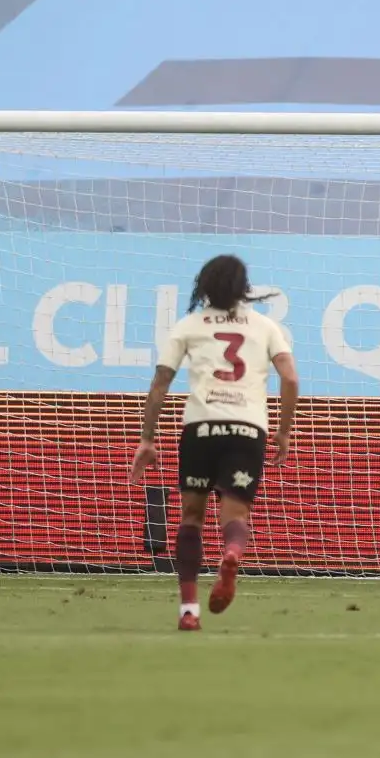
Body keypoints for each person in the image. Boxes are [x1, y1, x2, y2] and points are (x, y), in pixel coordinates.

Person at [129, 255, 297, 631]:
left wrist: (147, 439)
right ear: (244, 288)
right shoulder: (266, 326)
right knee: (235, 516)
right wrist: (284, 432)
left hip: (201, 428)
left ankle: (189, 609)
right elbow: (290, 378)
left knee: (191, 517)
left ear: (203, 286)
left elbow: (160, 384)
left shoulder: (189, 326)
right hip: (248, 429)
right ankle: (232, 552)